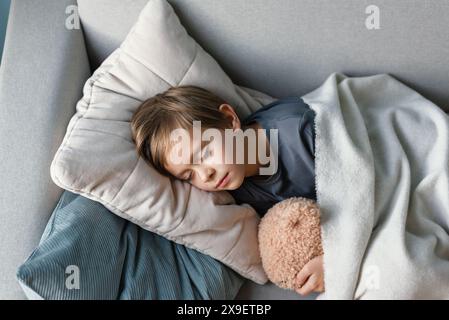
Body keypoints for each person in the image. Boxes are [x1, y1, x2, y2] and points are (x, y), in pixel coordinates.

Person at [131, 85, 324, 295]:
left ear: (230, 120)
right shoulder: (235, 191)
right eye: (188, 175)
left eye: (204, 153)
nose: (205, 175)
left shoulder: (301, 131)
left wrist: (333, 258)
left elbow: (357, 184)